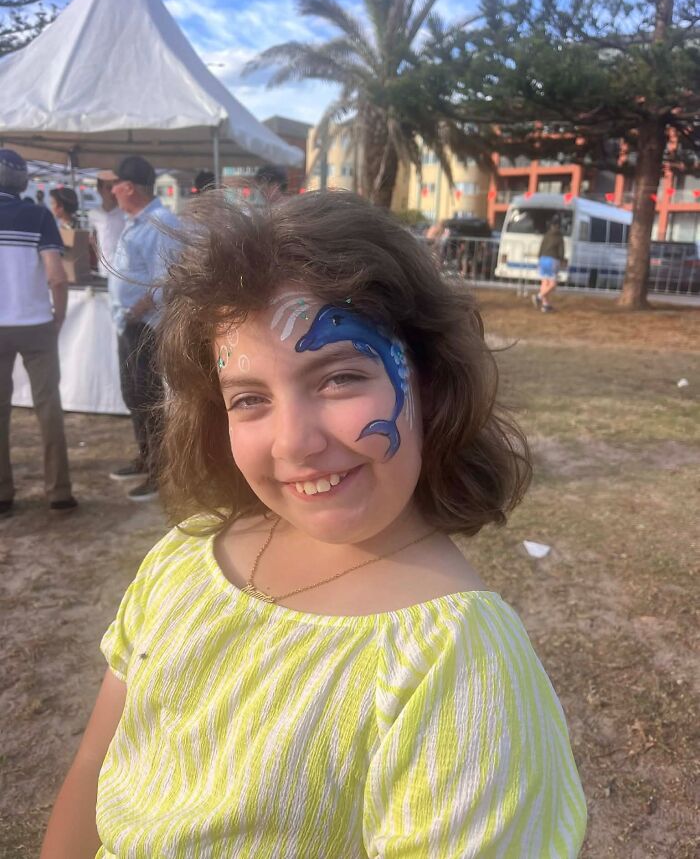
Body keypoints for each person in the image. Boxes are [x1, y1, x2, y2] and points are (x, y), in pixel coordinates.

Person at [40, 191, 587, 857]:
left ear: (432, 379)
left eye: (337, 379)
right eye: (250, 398)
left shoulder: (458, 665)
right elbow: (100, 756)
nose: (293, 442)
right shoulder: (187, 554)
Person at [0, 149, 77, 516]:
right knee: (48, 408)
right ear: (24, 182)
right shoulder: (38, 216)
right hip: (35, 324)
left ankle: (3, 493)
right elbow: (56, 276)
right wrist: (58, 318)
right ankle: (58, 491)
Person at [101, 155, 179, 502]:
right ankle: (146, 457)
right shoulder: (136, 222)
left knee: (149, 398)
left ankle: (160, 470)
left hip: (147, 326)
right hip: (131, 325)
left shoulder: (161, 222)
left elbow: (170, 279)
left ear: (129, 187)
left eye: (114, 184)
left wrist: (137, 309)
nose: (111, 190)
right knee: (134, 394)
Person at [88, 172, 126, 278]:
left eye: (115, 187)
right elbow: (92, 240)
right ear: (99, 190)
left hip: (123, 272)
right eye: (109, 188)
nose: (113, 192)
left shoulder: (126, 214)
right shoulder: (93, 214)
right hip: (103, 271)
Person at [533, 216, 565, 312]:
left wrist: (539, 259)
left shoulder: (546, 235)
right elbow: (561, 251)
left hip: (543, 259)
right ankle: (538, 297)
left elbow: (541, 247)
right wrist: (562, 259)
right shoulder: (559, 236)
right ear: (559, 226)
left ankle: (545, 305)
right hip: (552, 260)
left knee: (545, 282)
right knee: (553, 284)